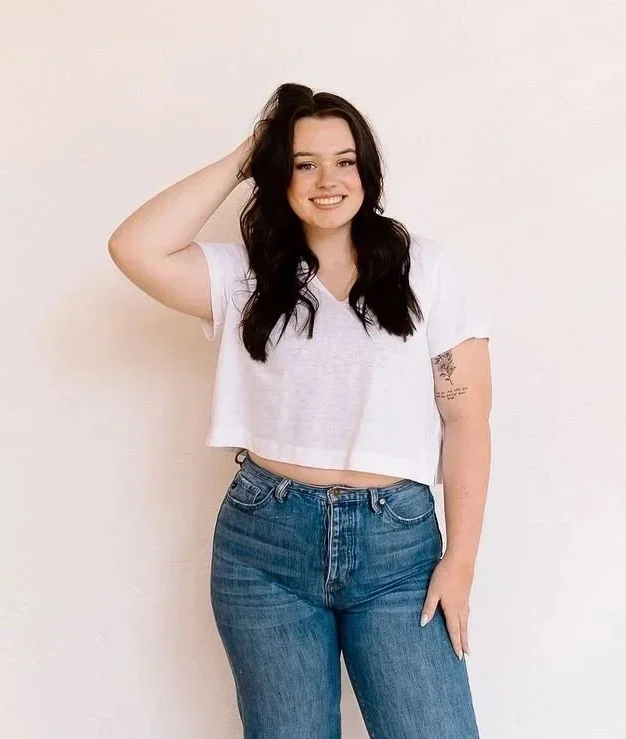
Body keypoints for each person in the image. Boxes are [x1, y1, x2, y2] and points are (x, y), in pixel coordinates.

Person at [107, 83, 492, 738]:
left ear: (367, 171)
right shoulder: (244, 275)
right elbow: (134, 247)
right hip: (265, 544)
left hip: (397, 548)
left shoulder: (426, 268)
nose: (327, 180)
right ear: (278, 173)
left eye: (344, 160)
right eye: (304, 162)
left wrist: (460, 563)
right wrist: (251, 148)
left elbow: (467, 420)